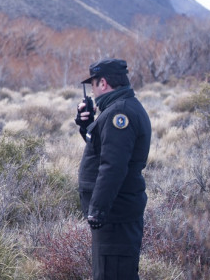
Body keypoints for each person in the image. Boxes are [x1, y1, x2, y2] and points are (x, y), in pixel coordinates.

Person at [74, 58, 151, 280]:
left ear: (103, 83)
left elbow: (113, 167)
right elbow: (103, 150)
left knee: (113, 274)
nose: (93, 92)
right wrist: (86, 126)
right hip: (114, 213)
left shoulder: (121, 114)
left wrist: (97, 210)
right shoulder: (117, 109)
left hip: (115, 215)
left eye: (93, 85)